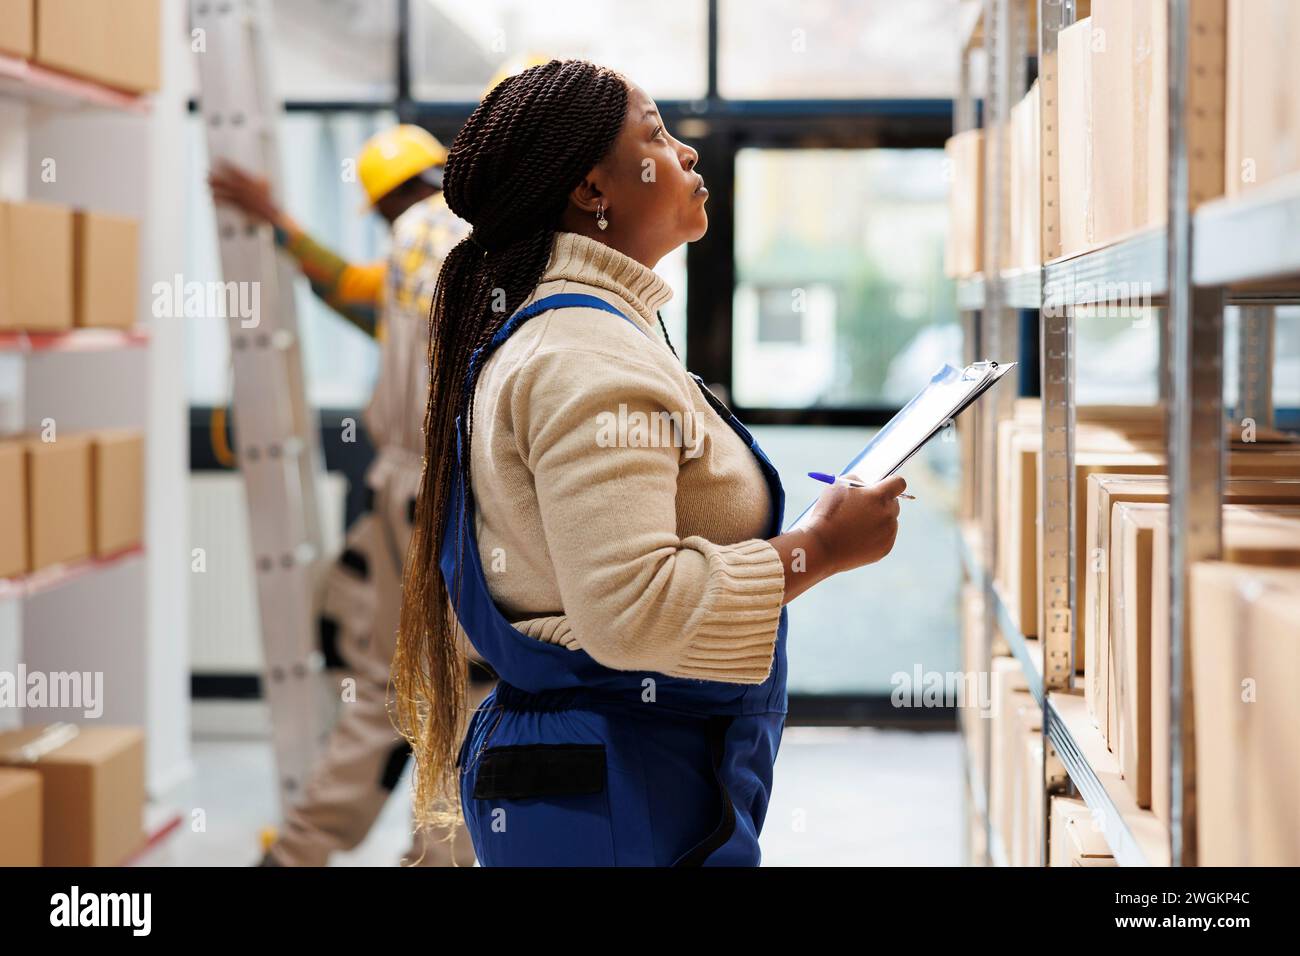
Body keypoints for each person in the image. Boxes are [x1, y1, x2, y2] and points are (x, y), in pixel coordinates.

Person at [392, 60, 906, 867]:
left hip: (617, 776)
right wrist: (820, 549)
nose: (688, 153)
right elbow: (633, 609)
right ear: (595, 189)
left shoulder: (593, 335)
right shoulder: (586, 356)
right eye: (657, 135)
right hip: (612, 794)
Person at [209, 125, 490, 867]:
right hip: (458, 489)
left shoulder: (407, 244)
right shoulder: (486, 234)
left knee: (386, 686)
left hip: (398, 487)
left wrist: (280, 224)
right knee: (467, 693)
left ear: (379, 205)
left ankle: (300, 851)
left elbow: (350, 291)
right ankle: (440, 858)